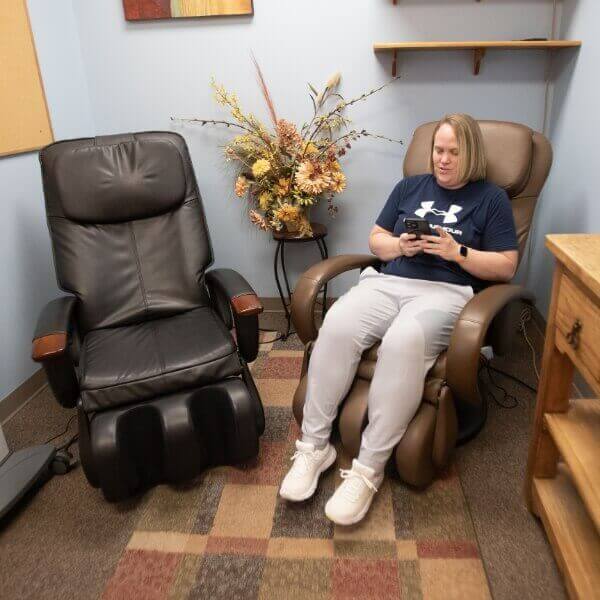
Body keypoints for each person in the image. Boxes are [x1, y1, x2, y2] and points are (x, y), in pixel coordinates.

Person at [278, 114, 519, 525]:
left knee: (404, 341)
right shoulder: (409, 187)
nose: (443, 160)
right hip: (389, 282)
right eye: (438, 151)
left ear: (472, 154)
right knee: (336, 323)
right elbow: (375, 238)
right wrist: (398, 244)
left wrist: (455, 252)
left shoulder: (491, 198)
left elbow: (506, 266)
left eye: (453, 153)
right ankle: (315, 446)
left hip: (446, 293)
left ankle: (368, 468)